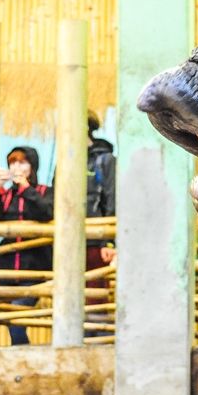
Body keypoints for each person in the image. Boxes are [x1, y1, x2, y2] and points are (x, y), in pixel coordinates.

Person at [0, 146, 53, 346]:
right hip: (6, 269)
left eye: (22, 162)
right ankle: (21, 353)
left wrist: (26, 188)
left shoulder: (45, 192)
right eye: (13, 163)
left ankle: (21, 354)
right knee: (8, 316)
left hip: (35, 269)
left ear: (32, 166)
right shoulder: (6, 195)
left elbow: (46, 212)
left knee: (16, 315)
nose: (17, 167)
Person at [85, 111, 116, 333]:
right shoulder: (65, 160)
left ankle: (97, 343)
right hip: (72, 243)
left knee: (96, 299)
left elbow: (112, 200)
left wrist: (108, 241)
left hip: (97, 242)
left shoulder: (105, 160)